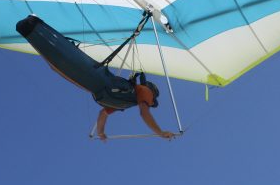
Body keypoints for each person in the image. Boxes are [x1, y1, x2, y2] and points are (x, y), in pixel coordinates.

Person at [15, 14, 175, 141]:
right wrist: (160, 132)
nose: (150, 104)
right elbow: (144, 113)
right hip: (96, 78)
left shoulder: (127, 102)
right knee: (67, 57)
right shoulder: (144, 92)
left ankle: (29, 31)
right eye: (152, 103)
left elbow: (102, 114)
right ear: (152, 94)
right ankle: (34, 25)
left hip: (89, 84)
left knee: (57, 67)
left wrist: (101, 132)